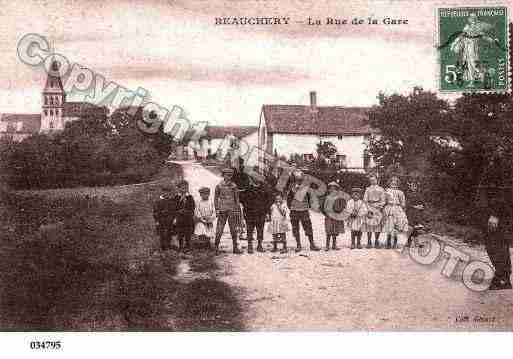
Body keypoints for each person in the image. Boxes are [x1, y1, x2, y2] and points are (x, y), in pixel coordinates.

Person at [477, 146, 512, 290]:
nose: (497, 151)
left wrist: (495, 215)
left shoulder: (503, 168)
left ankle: (503, 278)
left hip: (495, 213)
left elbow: (503, 193)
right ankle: (502, 276)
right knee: (493, 244)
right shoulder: (494, 166)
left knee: (496, 244)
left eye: (501, 149)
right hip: (488, 212)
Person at [286, 170, 320, 252]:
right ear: (295, 180)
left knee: (308, 227)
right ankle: (298, 245)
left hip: (304, 210)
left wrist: (307, 206)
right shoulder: (291, 189)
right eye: (297, 179)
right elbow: (288, 200)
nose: (299, 181)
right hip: (294, 211)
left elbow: (309, 198)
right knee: (295, 228)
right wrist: (291, 207)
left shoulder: (306, 188)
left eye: (301, 179)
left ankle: (312, 244)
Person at [243, 170, 274, 253]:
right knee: (250, 229)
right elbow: (243, 200)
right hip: (250, 213)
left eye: (258, 177)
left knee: (260, 229)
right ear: (252, 179)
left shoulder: (264, 188)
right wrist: (245, 211)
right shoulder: (248, 189)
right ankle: (250, 245)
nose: (256, 179)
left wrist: (267, 212)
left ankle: (259, 245)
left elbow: (269, 200)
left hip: (261, 213)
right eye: (254, 178)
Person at [214, 167, 243, 254]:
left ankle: (235, 247)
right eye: (227, 175)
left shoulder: (234, 186)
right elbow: (215, 198)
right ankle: (216, 247)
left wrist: (237, 209)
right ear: (223, 175)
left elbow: (237, 199)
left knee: (233, 229)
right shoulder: (219, 186)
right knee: (219, 229)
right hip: (222, 210)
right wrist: (217, 209)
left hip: (232, 210)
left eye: (230, 175)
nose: (229, 177)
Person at [382, 177, 409, 249]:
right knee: (389, 225)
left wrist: (403, 210)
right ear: (389, 183)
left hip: (397, 209)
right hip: (389, 208)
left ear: (397, 183)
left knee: (396, 225)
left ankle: (395, 242)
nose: (393, 183)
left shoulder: (400, 192)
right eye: (392, 182)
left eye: (395, 182)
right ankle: (388, 242)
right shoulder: (386, 191)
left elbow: (403, 202)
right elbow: (383, 200)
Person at [363, 175, 385, 248]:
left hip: (378, 208)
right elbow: (365, 200)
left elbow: (383, 200)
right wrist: (368, 208)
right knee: (369, 225)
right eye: (371, 180)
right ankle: (369, 241)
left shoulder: (381, 189)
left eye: (374, 180)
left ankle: (376, 241)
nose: (372, 181)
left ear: (377, 180)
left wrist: (379, 206)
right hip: (369, 206)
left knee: (377, 225)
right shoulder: (368, 189)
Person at [322, 182, 345, 251]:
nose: (332, 190)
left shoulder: (338, 198)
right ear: (329, 190)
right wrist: (327, 212)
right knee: (329, 231)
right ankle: (327, 245)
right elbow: (324, 207)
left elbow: (341, 207)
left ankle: (334, 245)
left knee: (335, 231)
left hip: (336, 216)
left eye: (334, 189)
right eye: (331, 189)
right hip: (329, 216)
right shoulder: (327, 198)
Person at [153, 184, 177, 251]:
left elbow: (174, 210)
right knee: (162, 233)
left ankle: (169, 245)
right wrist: (157, 221)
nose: (166, 193)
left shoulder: (172, 200)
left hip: (170, 219)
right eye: (165, 191)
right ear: (162, 192)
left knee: (169, 232)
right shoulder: (158, 201)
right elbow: (155, 212)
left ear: (170, 192)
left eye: (168, 192)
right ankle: (163, 247)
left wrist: (175, 219)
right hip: (161, 220)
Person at [174, 180, 196, 252]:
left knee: (188, 232)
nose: (184, 189)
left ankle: (188, 246)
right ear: (179, 188)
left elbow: (193, 207)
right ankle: (180, 246)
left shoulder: (190, 197)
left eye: (186, 188)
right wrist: (178, 211)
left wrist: (188, 212)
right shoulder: (176, 197)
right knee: (180, 232)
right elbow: (174, 207)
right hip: (180, 218)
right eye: (182, 188)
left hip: (188, 218)